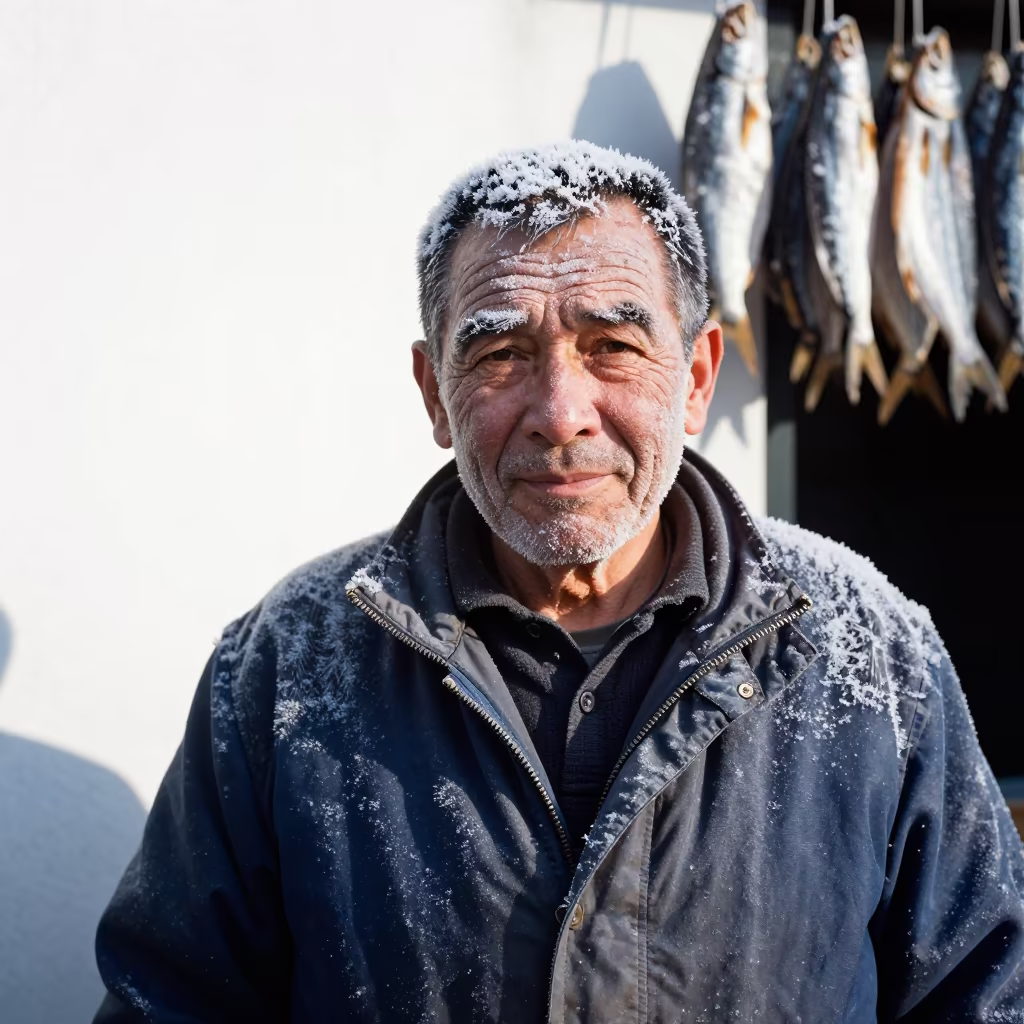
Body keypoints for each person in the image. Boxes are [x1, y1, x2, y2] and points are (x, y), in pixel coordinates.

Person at [93, 141, 1024, 1022]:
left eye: (612, 347)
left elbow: (988, 992)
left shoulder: (870, 649)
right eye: (501, 355)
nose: (559, 412)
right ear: (433, 393)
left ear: (696, 377)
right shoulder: (290, 663)